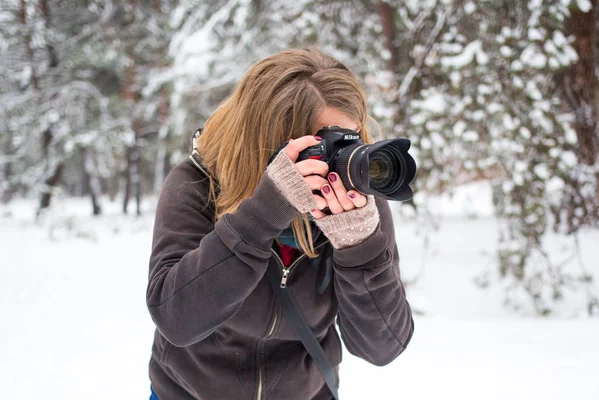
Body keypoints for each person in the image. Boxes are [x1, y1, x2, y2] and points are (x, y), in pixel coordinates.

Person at [146, 47, 414, 400]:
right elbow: (176, 318)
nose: (341, 164)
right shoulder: (196, 184)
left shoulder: (354, 201)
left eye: (348, 141)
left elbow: (382, 347)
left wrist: (359, 247)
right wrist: (262, 214)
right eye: (324, 146)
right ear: (267, 144)